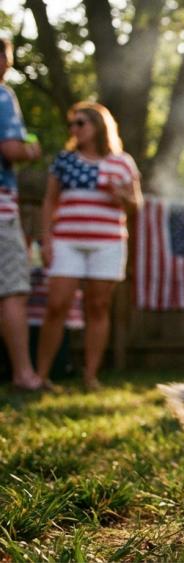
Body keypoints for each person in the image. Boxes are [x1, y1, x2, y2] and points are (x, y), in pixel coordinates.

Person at [36, 101, 142, 390]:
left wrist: (121, 194)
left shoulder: (122, 162)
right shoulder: (64, 160)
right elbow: (49, 201)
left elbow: (135, 204)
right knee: (57, 305)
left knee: (98, 306)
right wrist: (47, 241)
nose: (75, 129)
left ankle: (89, 376)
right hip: (67, 241)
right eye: (72, 124)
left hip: (107, 242)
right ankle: (40, 377)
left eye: (81, 123)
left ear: (98, 126)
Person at [0, 37, 44, 391]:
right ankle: (24, 375)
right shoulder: (2, 96)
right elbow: (11, 148)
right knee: (12, 290)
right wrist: (30, 151)